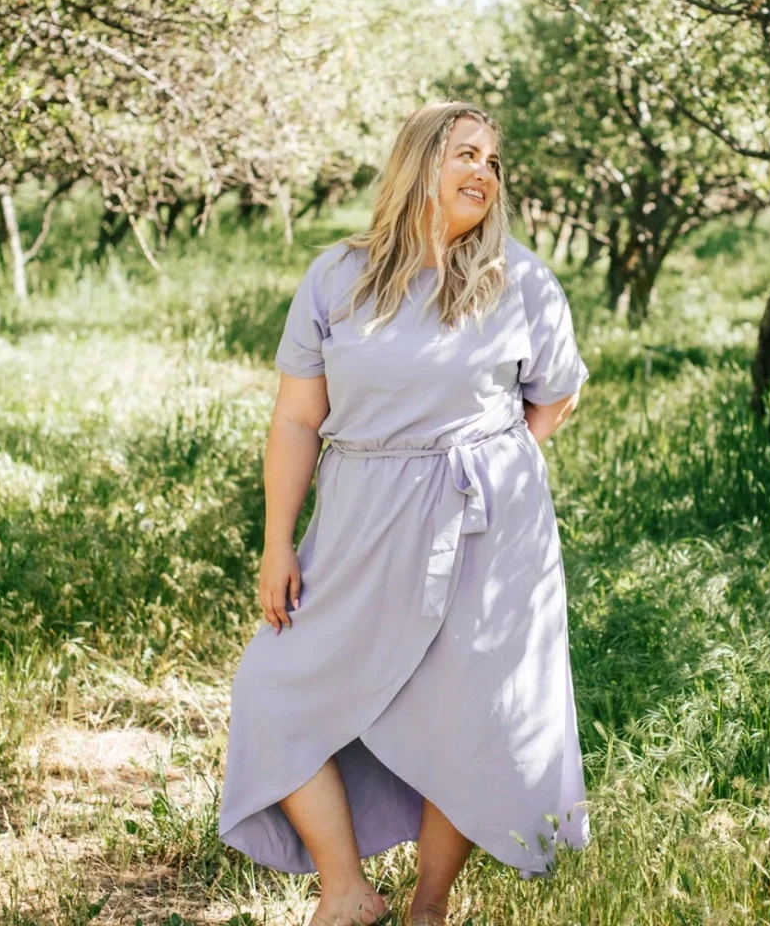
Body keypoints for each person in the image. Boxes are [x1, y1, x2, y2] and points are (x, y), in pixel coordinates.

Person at [219, 101, 591, 926]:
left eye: (494, 161)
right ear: (419, 163)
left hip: (487, 526)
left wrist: (492, 461)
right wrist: (277, 542)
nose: (484, 173)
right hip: (361, 521)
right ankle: (346, 890)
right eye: (466, 154)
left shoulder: (521, 280)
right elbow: (295, 421)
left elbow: (556, 396)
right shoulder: (336, 277)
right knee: (272, 689)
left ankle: (428, 906)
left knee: (463, 712)